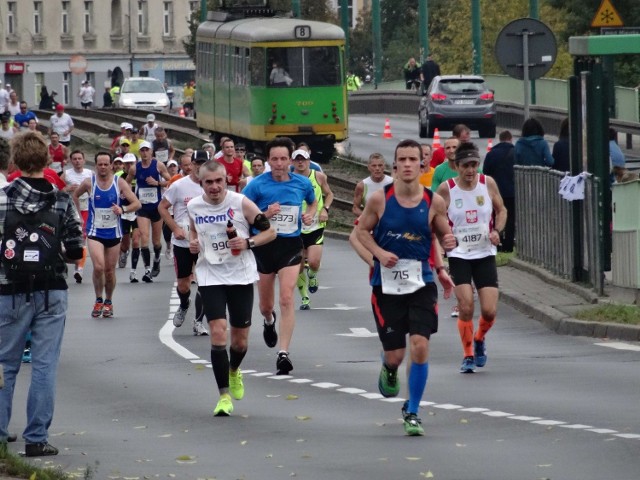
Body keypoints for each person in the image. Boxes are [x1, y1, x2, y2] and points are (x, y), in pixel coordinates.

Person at [355, 139, 456, 436]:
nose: (409, 164)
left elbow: (443, 235)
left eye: (414, 159)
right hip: (386, 286)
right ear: (395, 166)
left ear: (422, 165)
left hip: (421, 282)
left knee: (420, 346)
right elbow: (361, 231)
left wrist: (444, 259)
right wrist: (379, 253)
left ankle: (412, 410)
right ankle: (388, 367)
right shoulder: (379, 199)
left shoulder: (433, 201)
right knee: (397, 355)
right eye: (403, 160)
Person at [0, 131, 84, 456]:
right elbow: (77, 251)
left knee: (5, 364)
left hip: (9, 289)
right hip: (52, 291)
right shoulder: (62, 200)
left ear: (15, 161)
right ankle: (36, 438)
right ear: (48, 160)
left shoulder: (3, 199)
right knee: (45, 365)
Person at [187, 160, 276, 416]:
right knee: (217, 331)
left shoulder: (240, 202)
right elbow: (194, 232)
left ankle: (234, 370)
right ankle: (223, 396)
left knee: (239, 342)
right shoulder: (194, 206)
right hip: (210, 274)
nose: (214, 187)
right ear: (200, 182)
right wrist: (194, 244)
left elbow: (270, 233)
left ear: (227, 180)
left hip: (240, 275)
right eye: (208, 182)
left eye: (219, 181)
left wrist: (247, 242)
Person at [242, 137, 317, 375]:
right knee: (266, 305)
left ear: (291, 160)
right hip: (264, 247)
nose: (279, 163)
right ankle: (268, 320)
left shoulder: (302, 183)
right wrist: (265, 213)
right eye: (274, 159)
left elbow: (313, 203)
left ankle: (283, 353)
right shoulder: (256, 185)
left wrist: (309, 215)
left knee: (286, 297)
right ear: (268, 161)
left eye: (284, 158)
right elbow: (240, 212)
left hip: (290, 246)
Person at [436, 142, 507, 374]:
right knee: (466, 306)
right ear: (457, 166)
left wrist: (497, 230)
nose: (470, 170)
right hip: (459, 254)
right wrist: (443, 237)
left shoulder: (488, 184)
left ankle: (479, 339)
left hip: (485, 251)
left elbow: (502, 210)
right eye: (466, 165)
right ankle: (467, 355)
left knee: (489, 311)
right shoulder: (447, 189)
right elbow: (433, 217)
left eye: (474, 165)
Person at [72, 152, 140, 318]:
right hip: (95, 231)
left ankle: (108, 301)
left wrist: (122, 209)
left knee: (109, 271)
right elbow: (75, 195)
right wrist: (79, 216)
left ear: (111, 166)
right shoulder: (89, 182)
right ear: (95, 166)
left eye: (105, 164)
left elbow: (136, 203)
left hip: (114, 232)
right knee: (99, 267)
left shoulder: (120, 182)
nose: (103, 167)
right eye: (100, 164)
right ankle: (98, 299)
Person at [159, 150, 210, 335]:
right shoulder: (179, 185)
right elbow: (162, 208)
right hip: (183, 242)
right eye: (197, 163)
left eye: (204, 163)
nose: (199, 166)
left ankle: (198, 322)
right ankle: (183, 303)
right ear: (191, 164)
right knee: (183, 285)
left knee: (205, 282)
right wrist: (175, 228)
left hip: (205, 243)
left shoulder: (212, 185)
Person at [291, 149, 334, 310]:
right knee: (299, 265)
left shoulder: (318, 176)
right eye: (297, 160)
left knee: (314, 262)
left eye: (304, 159)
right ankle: (304, 298)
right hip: (296, 227)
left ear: (309, 161)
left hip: (315, 225)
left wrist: (325, 210)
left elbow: (329, 194)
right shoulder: (289, 179)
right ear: (292, 162)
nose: (300, 162)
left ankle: (313, 275)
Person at [125, 140, 171, 282]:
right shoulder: (135, 168)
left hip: (156, 207)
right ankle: (148, 270)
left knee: (156, 242)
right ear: (140, 152)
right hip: (142, 208)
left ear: (151, 151)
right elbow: (126, 183)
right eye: (142, 150)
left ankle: (157, 258)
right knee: (144, 237)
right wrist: (129, 196)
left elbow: (170, 181)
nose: (145, 153)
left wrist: (157, 183)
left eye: (147, 150)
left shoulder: (158, 165)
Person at [64, 150, 94, 283]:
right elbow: (58, 189)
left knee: (82, 239)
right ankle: (77, 264)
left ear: (84, 160)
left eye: (79, 158)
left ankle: (79, 269)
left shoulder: (90, 174)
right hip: (70, 211)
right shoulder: (66, 174)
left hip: (86, 209)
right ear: (71, 161)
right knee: (72, 239)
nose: (77, 161)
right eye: (74, 159)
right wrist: (68, 188)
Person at [482, 130, 515, 252]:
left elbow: (485, 171)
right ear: (510, 139)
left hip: (495, 191)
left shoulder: (492, 154)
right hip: (512, 191)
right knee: (510, 217)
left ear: (500, 139)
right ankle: (509, 245)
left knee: (495, 215)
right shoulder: (515, 152)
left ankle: (497, 242)